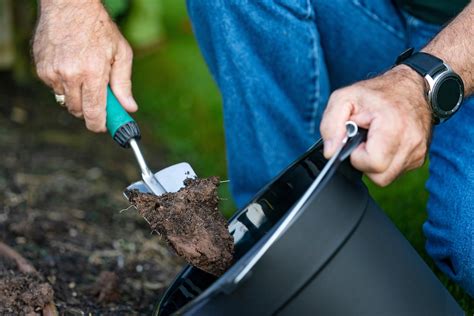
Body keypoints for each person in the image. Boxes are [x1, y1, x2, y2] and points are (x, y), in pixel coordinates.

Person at [33, 0, 473, 297]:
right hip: (372, 15)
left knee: (466, 249)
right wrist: (69, 10)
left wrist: (420, 82)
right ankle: (277, 242)